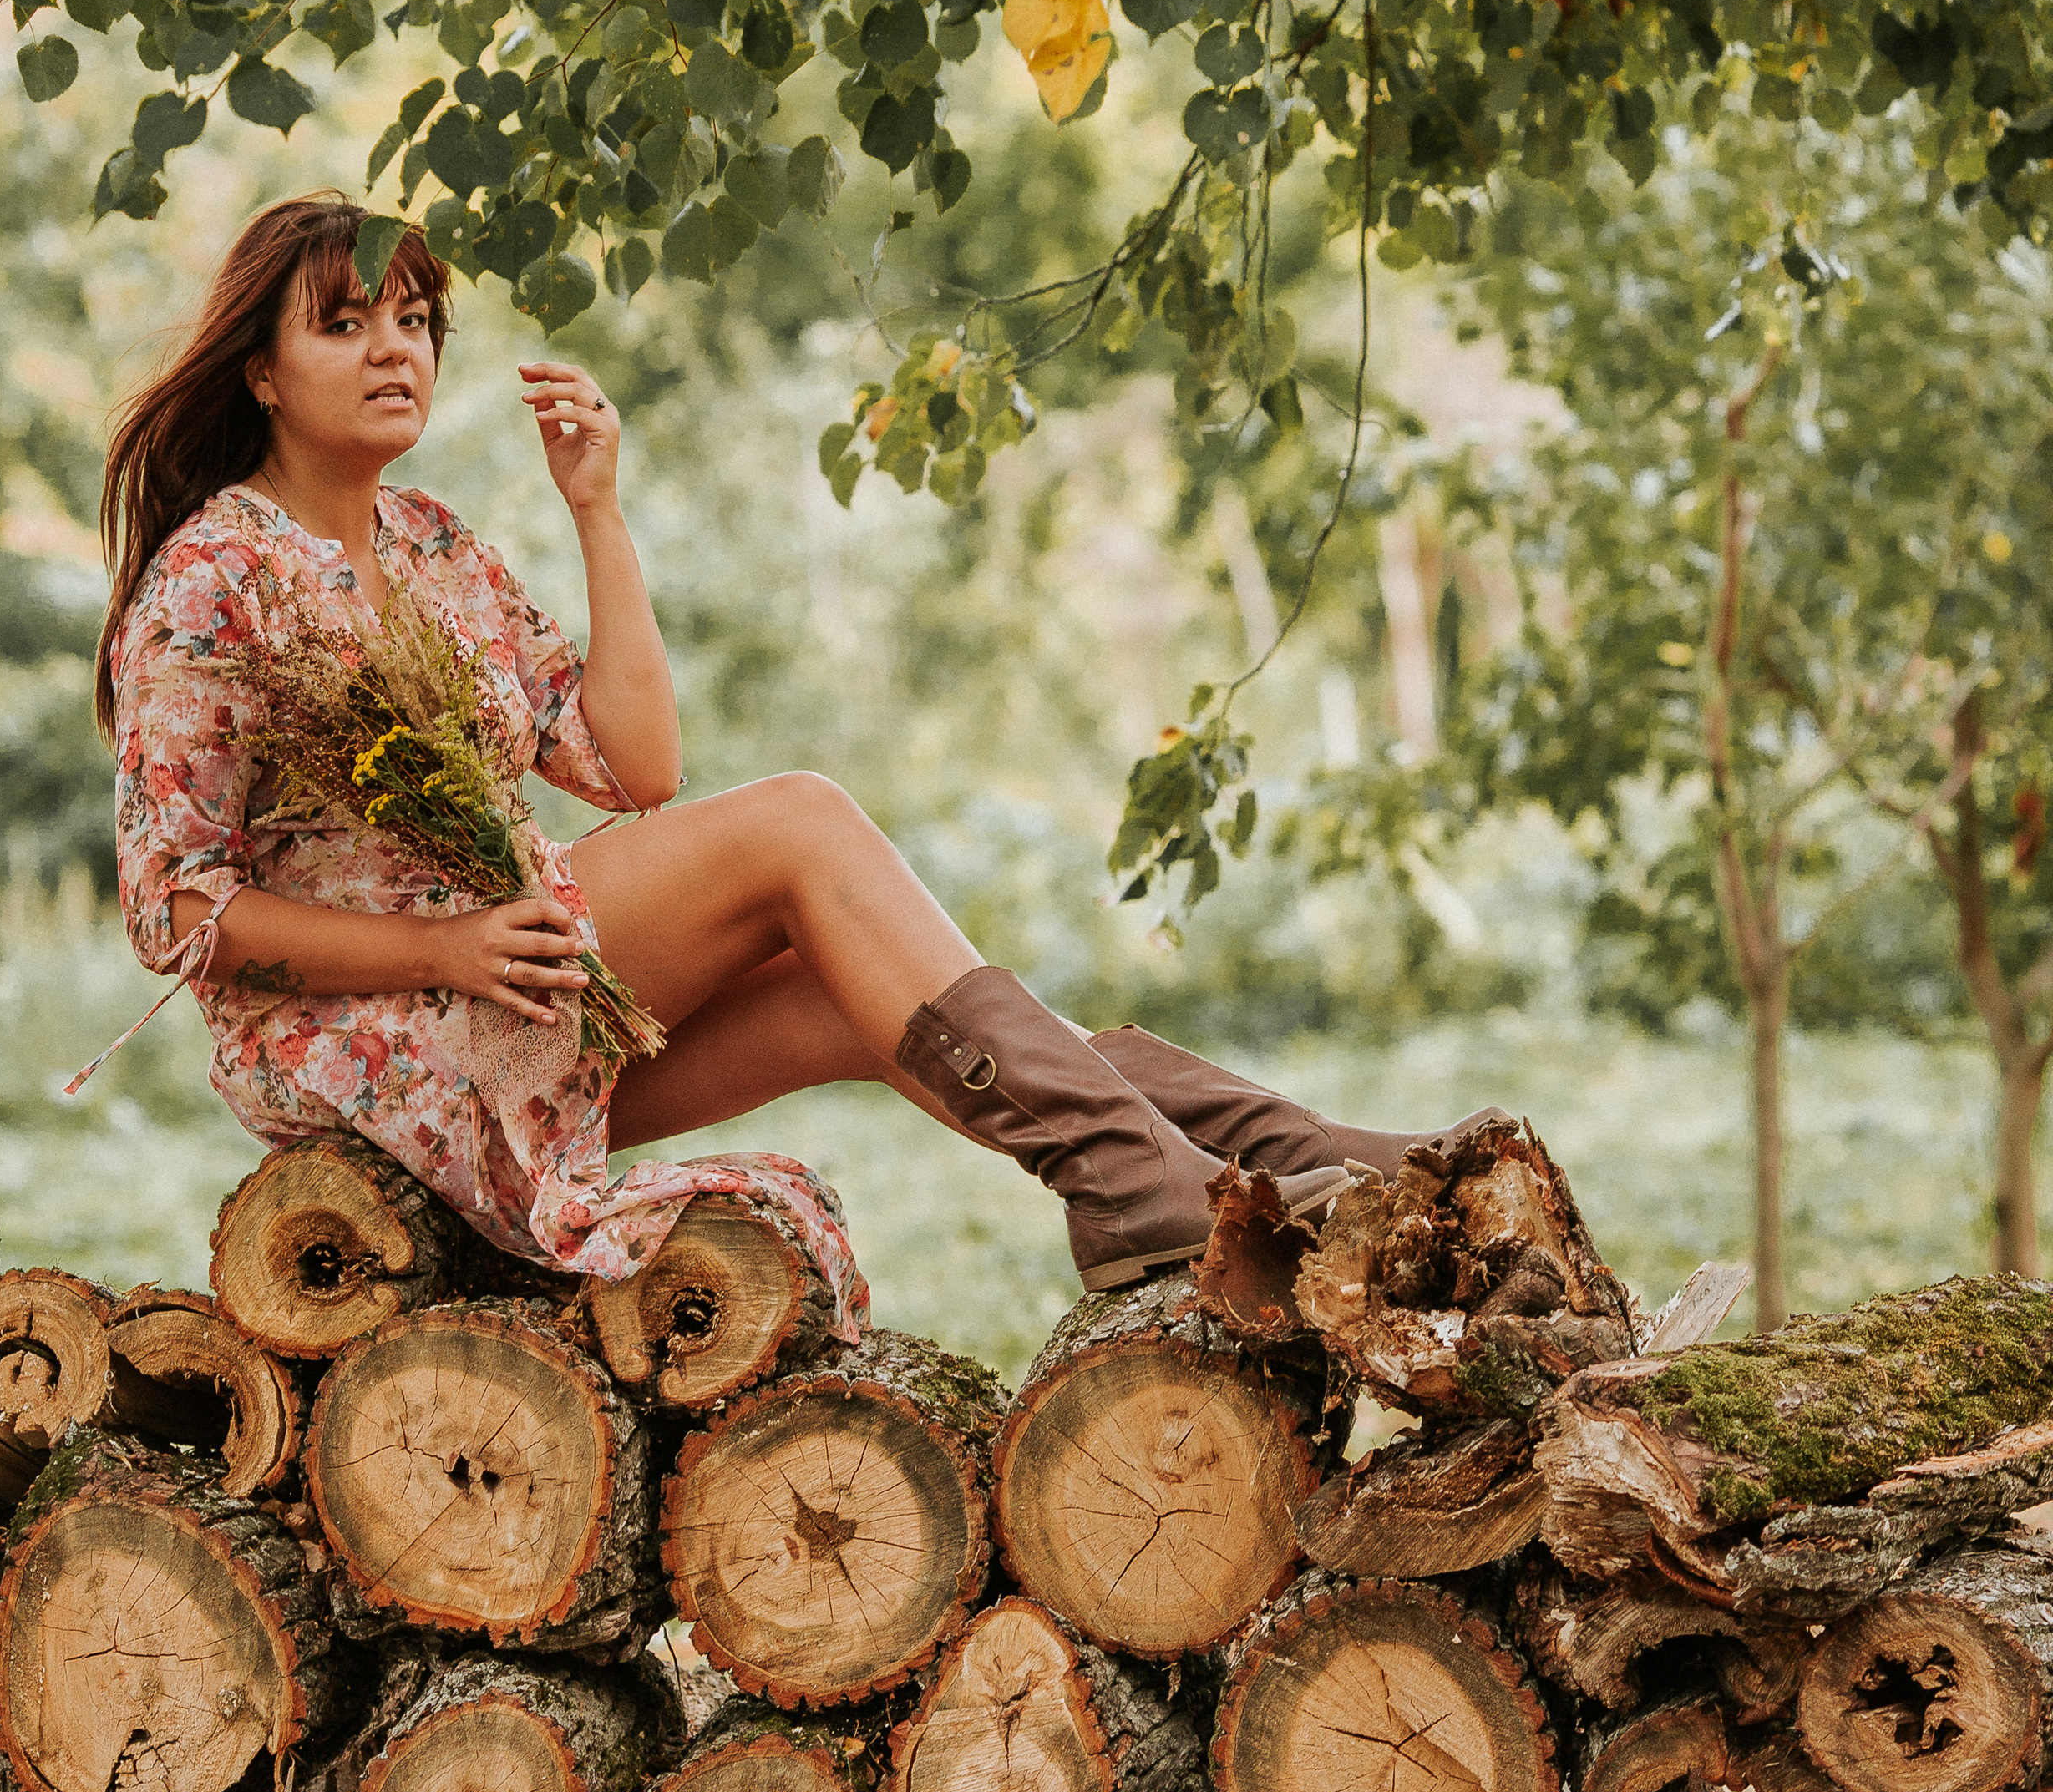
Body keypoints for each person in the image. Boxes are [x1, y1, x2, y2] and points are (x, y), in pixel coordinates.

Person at [96, 193, 1468, 1306]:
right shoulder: (216, 579)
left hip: (515, 989)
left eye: (417, 319)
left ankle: (1282, 1168)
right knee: (802, 820)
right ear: (263, 369)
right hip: (378, 1042)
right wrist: (444, 950)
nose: (397, 348)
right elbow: (173, 911)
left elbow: (633, 770)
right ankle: (1142, 1191)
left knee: (843, 988)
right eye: (346, 324)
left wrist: (599, 515)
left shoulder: (434, 547)